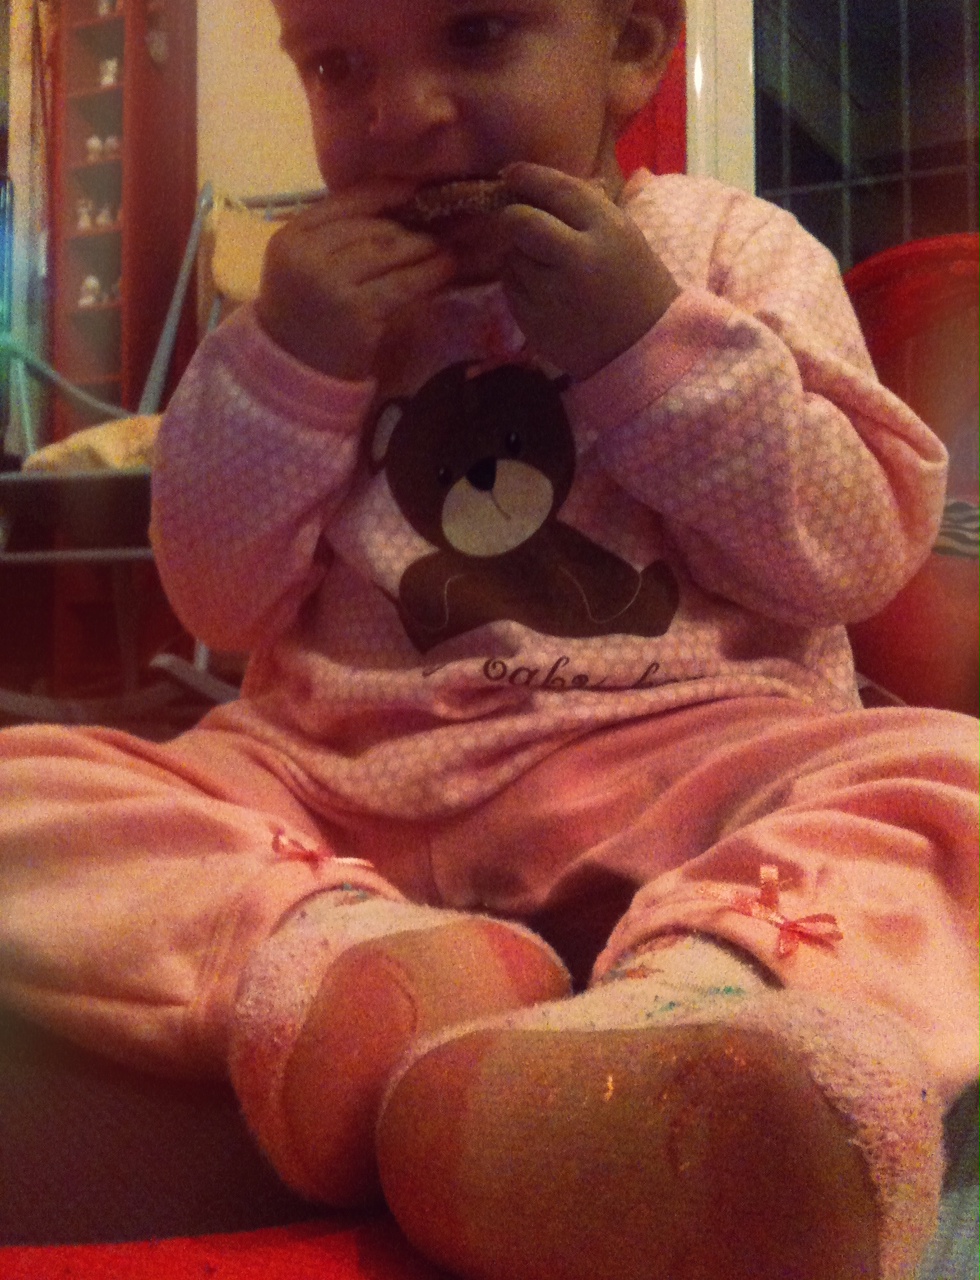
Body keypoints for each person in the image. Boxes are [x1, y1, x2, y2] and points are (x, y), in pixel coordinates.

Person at [2, 0, 979, 1275]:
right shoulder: (302, 311)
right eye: (337, 65)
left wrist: (647, 345)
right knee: (30, 781)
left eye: (474, 37)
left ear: (629, 49)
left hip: (682, 775)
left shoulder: (727, 247)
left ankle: (699, 1010)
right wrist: (289, 363)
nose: (400, 114)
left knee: (947, 783)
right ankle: (347, 965)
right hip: (336, 789)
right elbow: (217, 603)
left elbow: (854, 554)